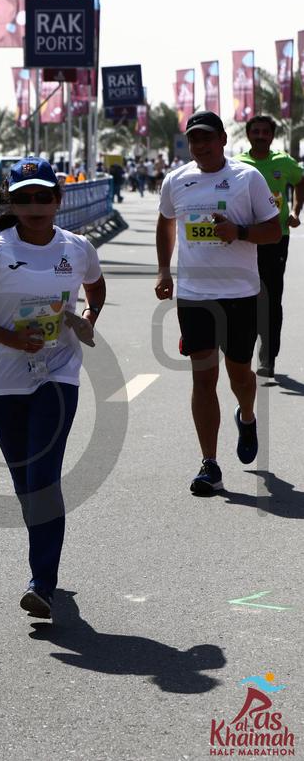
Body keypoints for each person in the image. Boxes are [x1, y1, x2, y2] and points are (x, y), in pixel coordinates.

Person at [0, 157, 106, 619]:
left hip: (57, 372)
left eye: (43, 196)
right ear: (11, 203)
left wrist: (88, 317)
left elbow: (96, 286)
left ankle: (42, 583)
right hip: (1, 382)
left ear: (58, 199)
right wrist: (12, 339)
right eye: (24, 198)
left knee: (42, 477)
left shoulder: (77, 247)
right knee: (26, 483)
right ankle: (44, 555)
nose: (35, 206)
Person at [154, 111, 281, 496]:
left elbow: (273, 231)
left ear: (223, 139)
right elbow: (166, 222)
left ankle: (247, 416)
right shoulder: (176, 180)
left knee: (239, 373)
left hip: (240, 294)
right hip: (195, 296)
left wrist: (238, 231)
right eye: (194, 139)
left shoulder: (247, 178)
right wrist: (163, 270)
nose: (200, 145)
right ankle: (209, 464)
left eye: (207, 138)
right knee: (203, 376)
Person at [235, 115, 304, 377]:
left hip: (276, 237)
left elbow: (300, 181)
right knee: (244, 296)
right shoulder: (237, 164)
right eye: (256, 131)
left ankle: (267, 358)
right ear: (248, 135)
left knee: (272, 298)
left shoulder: (284, 162)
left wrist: (295, 211)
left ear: (272, 136)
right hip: (245, 238)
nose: (261, 136)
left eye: (265, 132)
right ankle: (241, 353)